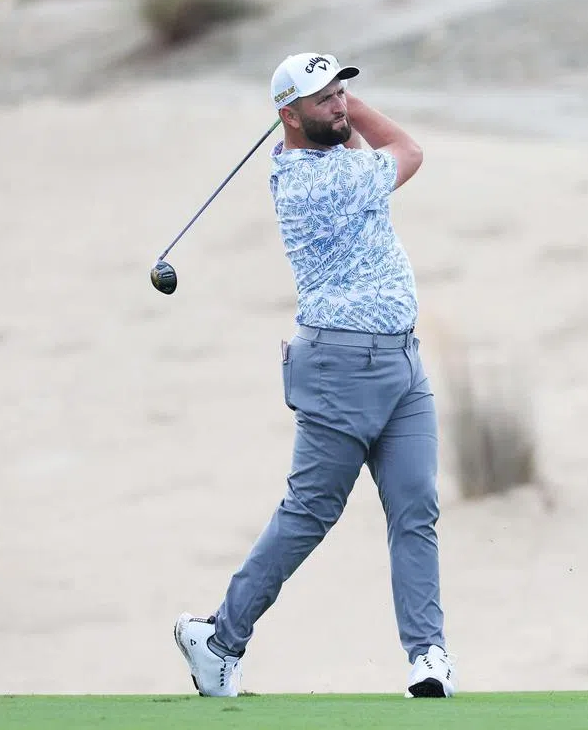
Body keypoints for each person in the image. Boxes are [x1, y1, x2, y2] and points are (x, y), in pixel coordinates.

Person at [173, 52, 455, 699]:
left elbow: (356, 146)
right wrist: (355, 110)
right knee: (311, 512)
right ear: (288, 116)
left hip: (402, 363)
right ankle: (219, 640)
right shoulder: (313, 181)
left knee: (415, 508)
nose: (338, 105)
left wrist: (335, 105)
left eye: (341, 93)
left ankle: (428, 656)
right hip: (342, 370)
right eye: (322, 98)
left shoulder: (334, 161)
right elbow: (407, 149)